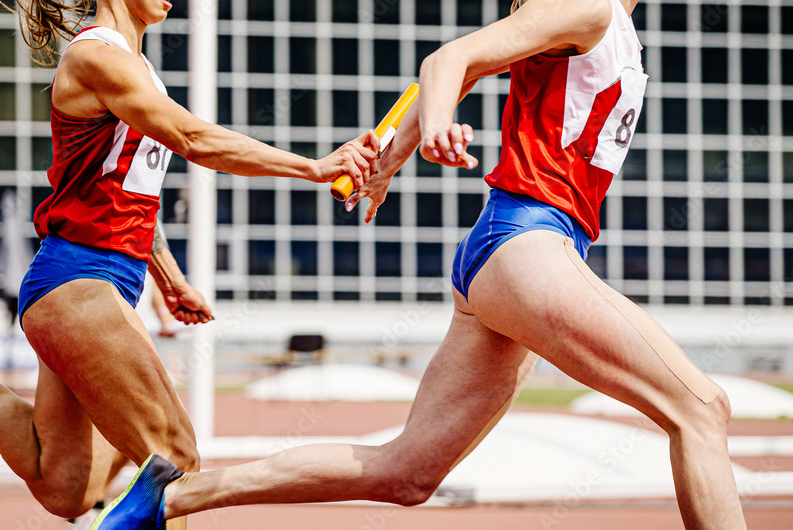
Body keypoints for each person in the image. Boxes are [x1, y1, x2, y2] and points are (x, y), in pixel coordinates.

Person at [75, 0, 749, 528]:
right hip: (528, 243)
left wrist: (387, 161)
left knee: (405, 474)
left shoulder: (612, 24)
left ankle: (170, 496)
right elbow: (448, 61)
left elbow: (475, 68)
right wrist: (432, 130)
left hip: (519, 256)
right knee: (701, 408)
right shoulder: (585, 5)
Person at [0, 1, 379, 529]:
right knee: (172, 460)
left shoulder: (137, 69)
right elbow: (193, 139)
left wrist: (169, 277)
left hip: (90, 288)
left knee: (66, 487)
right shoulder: (97, 58)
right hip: (78, 283)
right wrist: (313, 166)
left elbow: (127, 191)